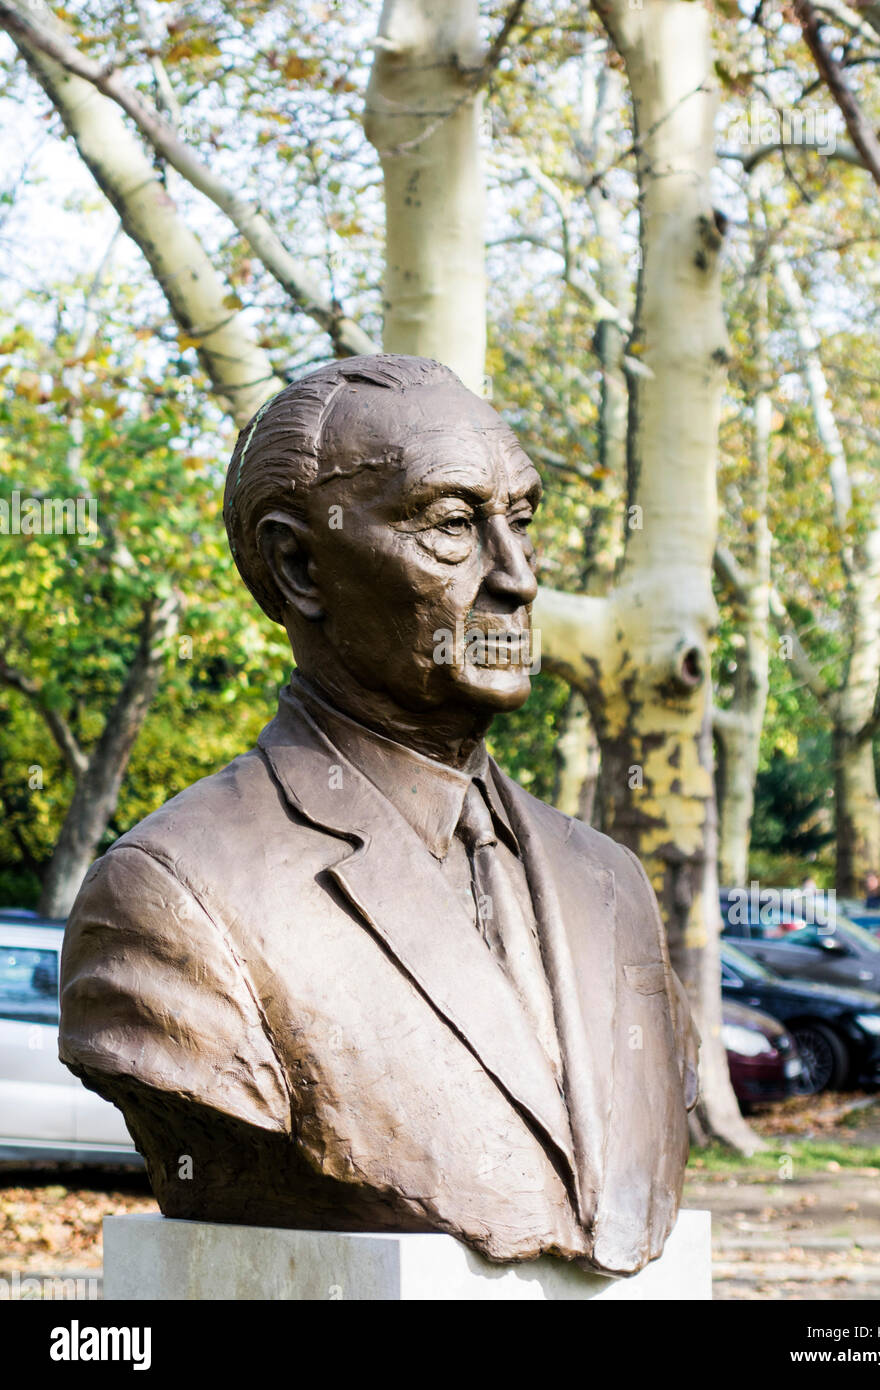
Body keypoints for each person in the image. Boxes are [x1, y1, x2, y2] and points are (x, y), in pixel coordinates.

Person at [59, 356, 699, 1277]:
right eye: (451, 526)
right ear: (298, 563)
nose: (517, 577)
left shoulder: (608, 884)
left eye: (522, 520)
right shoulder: (173, 899)